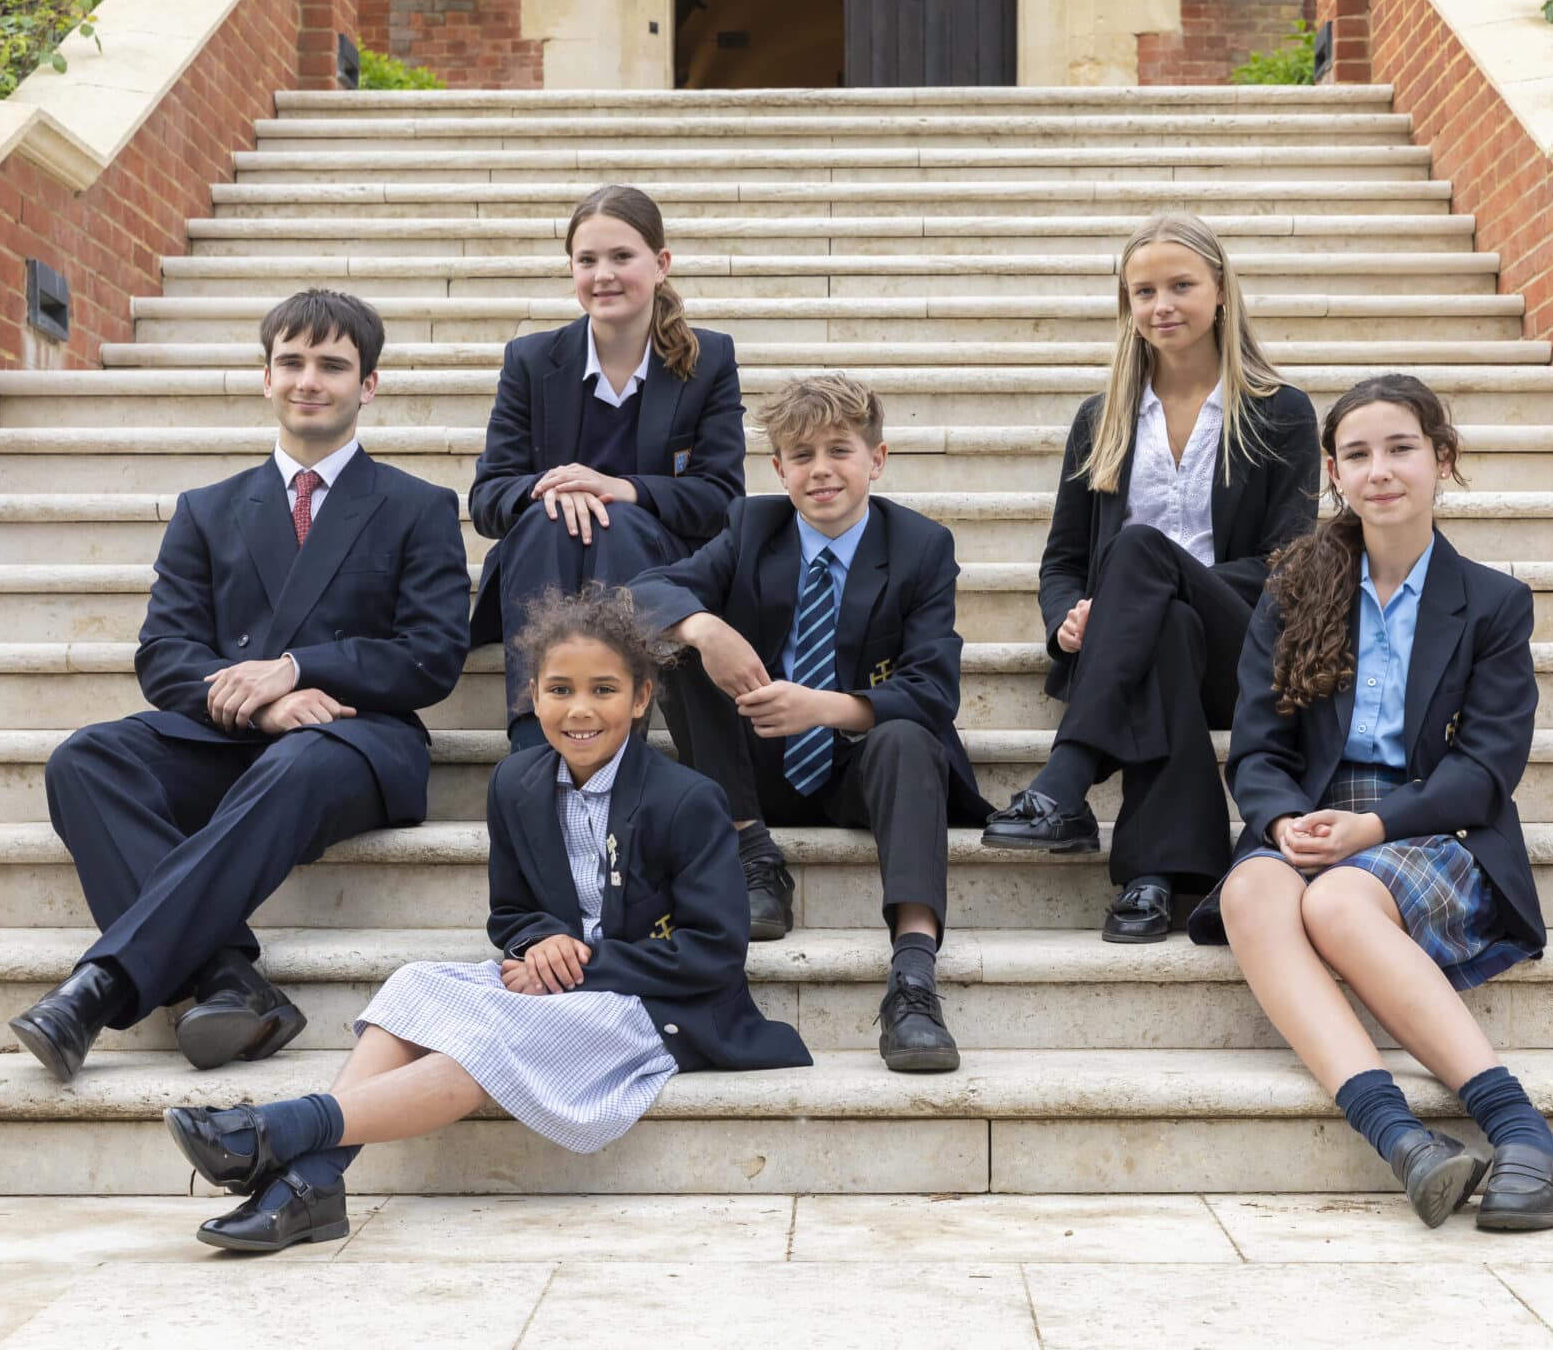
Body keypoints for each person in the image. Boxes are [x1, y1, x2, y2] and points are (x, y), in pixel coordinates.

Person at [163, 586, 811, 1253]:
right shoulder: (516, 783)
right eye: (559, 689)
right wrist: (542, 941)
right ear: (533, 694)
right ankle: (314, 1188)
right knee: (414, 987)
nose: (580, 709)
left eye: (604, 690)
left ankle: (281, 1133)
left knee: (481, 1043)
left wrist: (581, 963)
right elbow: (512, 913)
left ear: (642, 698)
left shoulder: (688, 801)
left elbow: (713, 954)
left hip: (659, 1002)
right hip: (551, 983)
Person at [9, 290, 471, 1082]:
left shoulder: (417, 506)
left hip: (359, 741)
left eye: (333, 365)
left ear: (370, 386)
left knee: (299, 762)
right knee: (85, 759)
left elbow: (431, 657)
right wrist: (265, 703)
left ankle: (101, 986)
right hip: (236, 734)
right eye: (291, 362)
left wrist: (299, 669)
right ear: (265, 378)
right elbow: (164, 654)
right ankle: (224, 977)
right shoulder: (208, 509)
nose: (309, 380)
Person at [1186, 373, 1553, 1231]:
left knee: (1339, 896)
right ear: (1333, 471)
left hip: (1435, 822)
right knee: (1251, 886)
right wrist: (1283, 819)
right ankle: (1404, 1139)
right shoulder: (1294, 590)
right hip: (1315, 814)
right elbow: (1256, 748)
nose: (1380, 471)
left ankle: (1529, 1135)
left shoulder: (1494, 604)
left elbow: (1487, 769)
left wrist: (1375, 826)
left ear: (1442, 459)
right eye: (1357, 454)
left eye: (1400, 449)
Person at [628, 374, 993, 1073]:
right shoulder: (750, 526)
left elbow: (932, 689)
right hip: (755, 766)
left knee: (910, 734)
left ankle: (913, 978)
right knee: (675, 644)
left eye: (839, 451)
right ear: (778, 469)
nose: (820, 470)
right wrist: (708, 627)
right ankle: (754, 856)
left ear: (876, 460)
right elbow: (645, 590)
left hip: (864, 769)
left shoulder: (920, 547)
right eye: (801, 455)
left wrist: (821, 707)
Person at [982, 213, 1320, 946]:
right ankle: (1155, 878)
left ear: (1222, 291)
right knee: (1162, 621)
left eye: (1180, 285)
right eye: (1143, 291)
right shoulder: (1101, 419)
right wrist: (1068, 616)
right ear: (1126, 307)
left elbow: (1290, 565)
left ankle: (1067, 781)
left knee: (1142, 553)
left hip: (1245, 648)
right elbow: (1063, 559)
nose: (1161, 304)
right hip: (1139, 647)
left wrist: (1156, 575)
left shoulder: (1280, 413)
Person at [467, 184, 747, 749]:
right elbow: (488, 498)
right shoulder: (529, 360)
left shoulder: (710, 358)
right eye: (587, 260)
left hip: (651, 562)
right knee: (550, 517)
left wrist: (622, 489)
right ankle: (532, 736)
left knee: (617, 524)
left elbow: (721, 497)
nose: (604, 275)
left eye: (623, 257)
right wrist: (555, 487)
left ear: (661, 264)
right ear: (570, 269)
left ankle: (619, 731)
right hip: (544, 560)